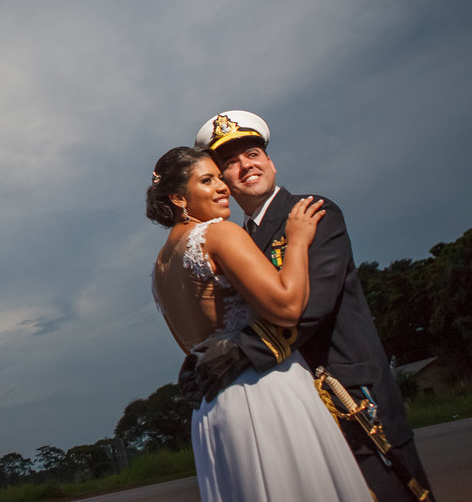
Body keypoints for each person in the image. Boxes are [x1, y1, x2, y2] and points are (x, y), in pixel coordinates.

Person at [183, 110, 434, 502]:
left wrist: (239, 351)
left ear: (271, 163)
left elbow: (312, 306)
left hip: (349, 394)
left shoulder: (314, 212)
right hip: (293, 408)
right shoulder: (236, 239)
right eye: (230, 162)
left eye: (253, 154)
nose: (245, 165)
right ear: (224, 182)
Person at [149, 146, 374, 502]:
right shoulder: (219, 234)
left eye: (220, 179)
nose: (222, 187)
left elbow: (194, 349)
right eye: (207, 181)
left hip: (212, 410)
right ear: (179, 198)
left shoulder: (160, 267)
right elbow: (287, 307)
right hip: (266, 392)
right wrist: (297, 240)